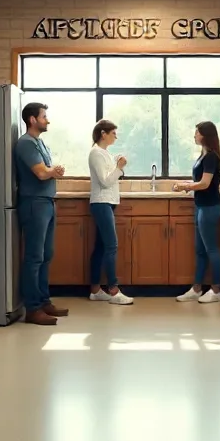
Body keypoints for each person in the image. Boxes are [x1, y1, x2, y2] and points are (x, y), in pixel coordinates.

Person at [14, 102, 69, 326]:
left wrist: (52, 171)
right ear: (32, 120)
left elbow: (47, 171)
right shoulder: (26, 143)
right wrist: (52, 171)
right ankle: (33, 308)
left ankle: (44, 301)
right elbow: (41, 173)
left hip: (46, 202)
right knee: (34, 257)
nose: (47, 120)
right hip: (34, 203)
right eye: (44, 116)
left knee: (46, 255)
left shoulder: (40, 143)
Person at [173, 121, 220, 304]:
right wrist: (185, 185)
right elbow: (200, 180)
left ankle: (216, 291)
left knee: (211, 249)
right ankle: (196, 289)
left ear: (205, 135)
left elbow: (204, 184)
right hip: (201, 206)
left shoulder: (211, 157)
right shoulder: (203, 155)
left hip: (210, 207)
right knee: (200, 251)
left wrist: (185, 187)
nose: (194, 135)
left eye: (197, 132)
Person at [87, 119, 134, 305]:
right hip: (101, 203)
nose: (116, 136)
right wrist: (119, 168)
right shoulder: (96, 153)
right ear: (103, 134)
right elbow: (105, 181)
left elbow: (108, 177)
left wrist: (116, 166)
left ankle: (95, 291)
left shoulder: (104, 153)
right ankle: (114, 291)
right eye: (113, 133)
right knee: (111, 246)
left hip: (107, 203)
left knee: (101, 247)